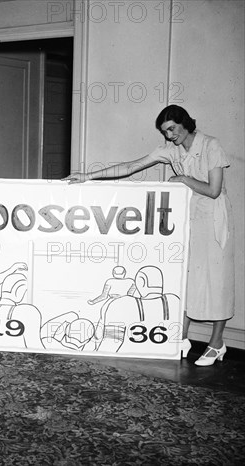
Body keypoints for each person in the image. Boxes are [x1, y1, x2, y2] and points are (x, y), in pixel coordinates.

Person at [64, 105, 234, 366]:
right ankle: (181, 337)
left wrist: (183, 179)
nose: (169, 136)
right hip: (188, 219)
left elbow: (213, 190)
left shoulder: (211, 145)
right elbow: (132, 166)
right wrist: (88, 176)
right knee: (185, 279)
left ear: (184, 123)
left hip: (213, 220)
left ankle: (216, 343)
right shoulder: (170, 150)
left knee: (216, 282)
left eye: (172, 129)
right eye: (165, 132)